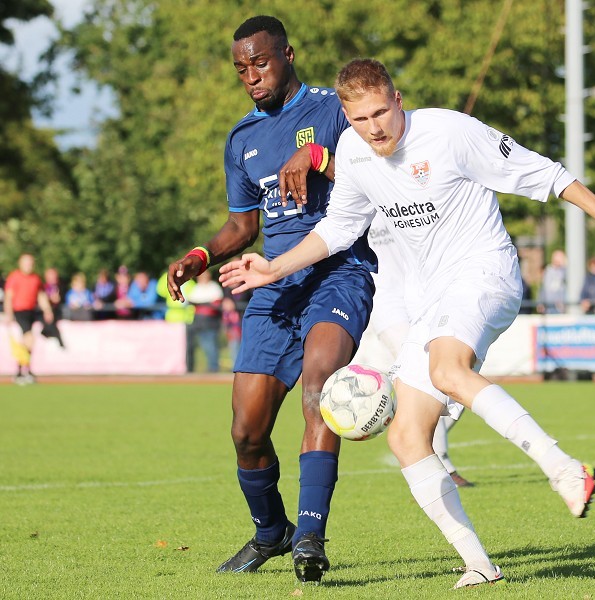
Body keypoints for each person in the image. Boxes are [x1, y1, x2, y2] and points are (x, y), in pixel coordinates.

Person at [219, 58, 595, 588]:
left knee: (448, 370)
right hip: (434, 298)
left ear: (398, 99)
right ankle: (480, 565)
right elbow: (337, 229)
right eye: (359, 119)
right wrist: (274, 267)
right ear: (347, 118)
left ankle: (565, 468)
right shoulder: (356, 154)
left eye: (382, 112)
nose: (374, 127)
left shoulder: (450, 132)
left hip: (484, 273)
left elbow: (545, 173)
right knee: (407, 435)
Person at [164, 17, 376, 582]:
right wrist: (201, 255)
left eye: (260, 63)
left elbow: (382, 159)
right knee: (246, 430)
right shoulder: (241, 138)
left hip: (338, 271)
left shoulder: (333, 109)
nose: (251, 76)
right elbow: (242, 226)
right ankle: (272, 532)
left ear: (287, 53)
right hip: (272, 285)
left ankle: (310, 534)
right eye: (241, 68)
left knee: (319, 390)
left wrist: (316, 159)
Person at [367, 213, 473, 487]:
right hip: (384, 304)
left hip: (421, 298)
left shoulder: (402, 191)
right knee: (426, 375)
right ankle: (442, 464)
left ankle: (411, 428)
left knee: (454, 382)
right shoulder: (359, 191)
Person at [2, 253, 54, 384]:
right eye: (26, 263)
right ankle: (24, 371)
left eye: (31, 263)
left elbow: (41, 296)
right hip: (19, 312)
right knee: (27, 339)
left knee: (27, 342)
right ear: (20, 264)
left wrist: (47, 310)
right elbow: (8, 297)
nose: (29, 266)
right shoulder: (14, 277)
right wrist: (8, 314)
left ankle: (22, 370)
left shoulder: (35, 278)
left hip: (31, 312)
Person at [186, 270, 224, 373]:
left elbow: (215, 303)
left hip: (210, 320)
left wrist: (202, 304)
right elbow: (191, 301)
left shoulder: (213, 287)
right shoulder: (196, 288)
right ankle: (192, 368)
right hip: (198, 320)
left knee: (210, 344)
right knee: (201, 344)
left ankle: (213, 367)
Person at [536, 249, 567, 314]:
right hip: (548, 307)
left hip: (561, 308)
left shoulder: (565, 272)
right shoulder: (548, 271)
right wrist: (540, 303)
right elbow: (543, 289)